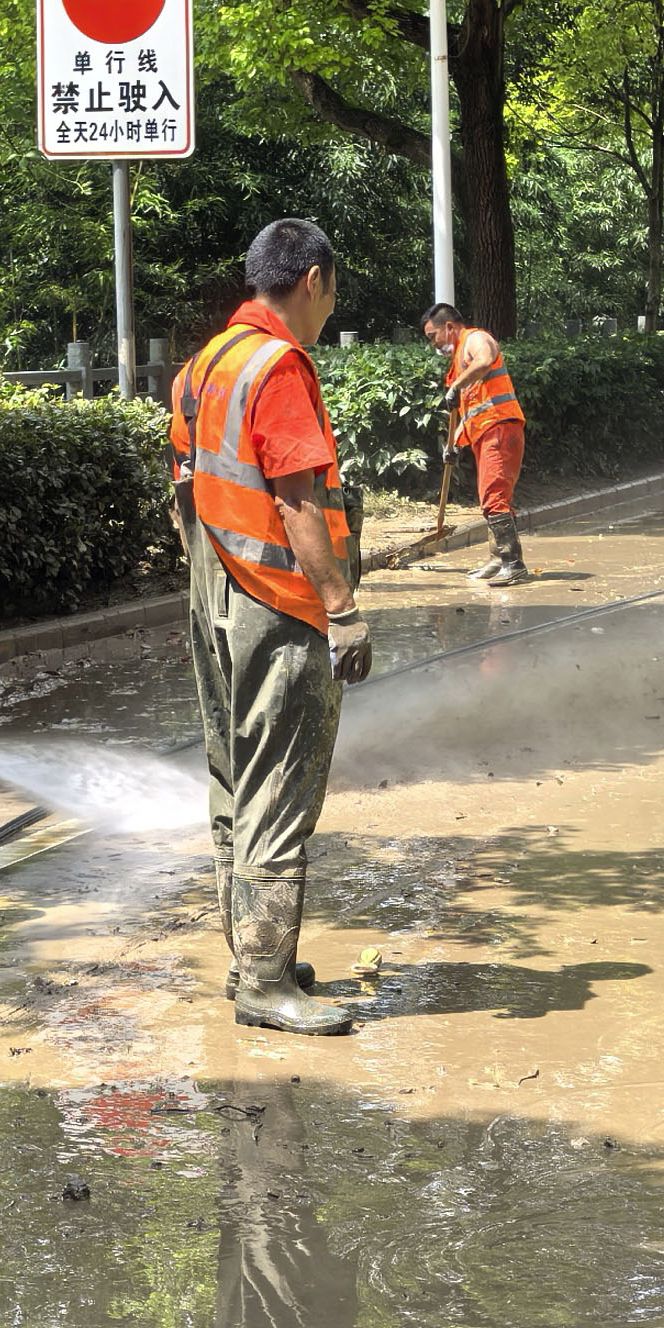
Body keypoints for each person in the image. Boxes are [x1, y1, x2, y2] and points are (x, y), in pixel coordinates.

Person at [172, 219, 374, 1035]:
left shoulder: (206, 362)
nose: (329, 309)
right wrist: (342, 608)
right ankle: (265, 983)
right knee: (282, 785)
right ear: (314, 279)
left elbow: (187, 486)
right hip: (279, 607)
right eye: (332, 293)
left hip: (212, 595)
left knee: (233, 777)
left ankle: (251, 956)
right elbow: (296, 500)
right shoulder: (280, 365)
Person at [419, 301, 532, 586]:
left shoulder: (475, 339)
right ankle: (498, 558)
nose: (433, 344)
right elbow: (469, 411)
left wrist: (456, 386)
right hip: (486, 431)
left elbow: (485, 359)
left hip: (500, 427)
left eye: (433, 336)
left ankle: (513, 564)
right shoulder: (458, 359)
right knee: (492, 499)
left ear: (449, 326)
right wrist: (454, 443)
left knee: (494, 498)